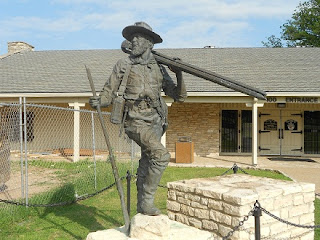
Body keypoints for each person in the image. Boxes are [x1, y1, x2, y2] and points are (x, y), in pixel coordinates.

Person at [89, 22, 187, 215]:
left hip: (157, 120)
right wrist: (99, 101)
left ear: (149, 43)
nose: (133, 40)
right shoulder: (123, 65)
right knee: (161, 156)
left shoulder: (159, 67)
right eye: (132, 36)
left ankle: (141, 207)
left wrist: (180, 73)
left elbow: (179, 96)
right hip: (134, 120)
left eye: (138, 37)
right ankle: (147, 202)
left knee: (148, 162)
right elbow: (108, 93)